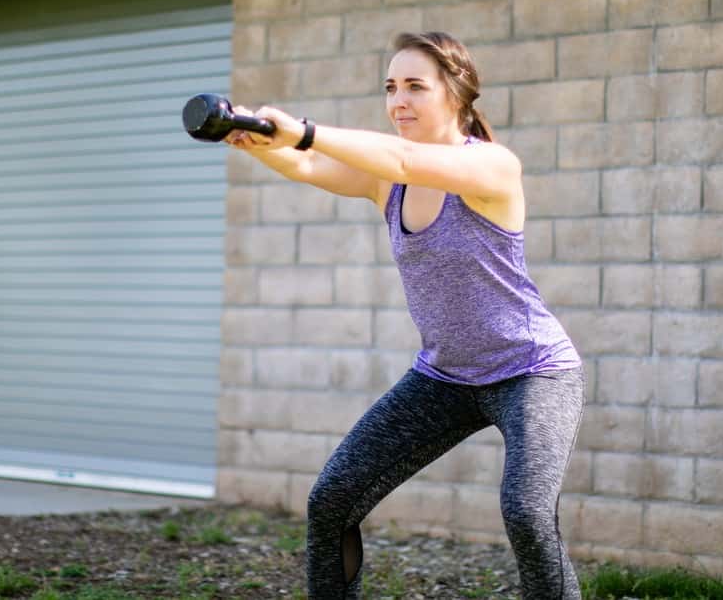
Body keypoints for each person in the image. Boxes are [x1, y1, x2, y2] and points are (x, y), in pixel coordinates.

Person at [223, 31, 585, 599]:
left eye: (416, 86)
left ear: (457, 94)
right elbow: (309, 168)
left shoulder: (492, 166)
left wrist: (305, 129)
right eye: (391, 88)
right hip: (444, 376)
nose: (399, 101)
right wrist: (261, 140)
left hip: (533, 371)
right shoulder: (387, 182)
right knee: (333, 500)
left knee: (527, 511)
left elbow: (404, 156)